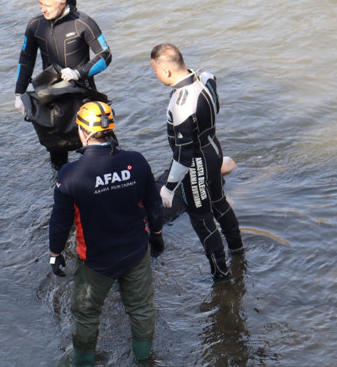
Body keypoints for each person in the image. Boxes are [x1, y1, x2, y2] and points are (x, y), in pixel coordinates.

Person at [48, 101, 164, 365]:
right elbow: (153, 204)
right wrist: (156, 234)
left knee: (86, 313)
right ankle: (144, 360)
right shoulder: (136, 161)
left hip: (96, 261)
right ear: (111, 129)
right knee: (141, 308)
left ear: (81, 131)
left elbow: (60, 221)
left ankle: (83, 362)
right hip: (135, 252)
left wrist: (55, 254)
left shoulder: (71, 174)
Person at [150, 43, 244, 281]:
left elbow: (183, 155)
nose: (155, 75)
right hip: (213, 147)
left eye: (155, 70)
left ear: (167, 71)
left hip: (196, 163)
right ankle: (238, 250)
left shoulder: (180, 105)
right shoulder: (205, 79)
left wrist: (169, 188)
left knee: (201, 218)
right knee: (219, 202)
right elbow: (212, 78)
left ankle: (221, 275)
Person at [14, 0, 112, 169]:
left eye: (47, 5)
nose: (43, 9)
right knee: (58, 159)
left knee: (101, 153)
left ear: (62, 3)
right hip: (51, 99)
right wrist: (19, 94)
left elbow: (105, 55)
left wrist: (79, 73)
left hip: (83, 96)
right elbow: (26, 60)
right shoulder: (35, 25)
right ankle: (62, 190)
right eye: (40, 4)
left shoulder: (83, 23)